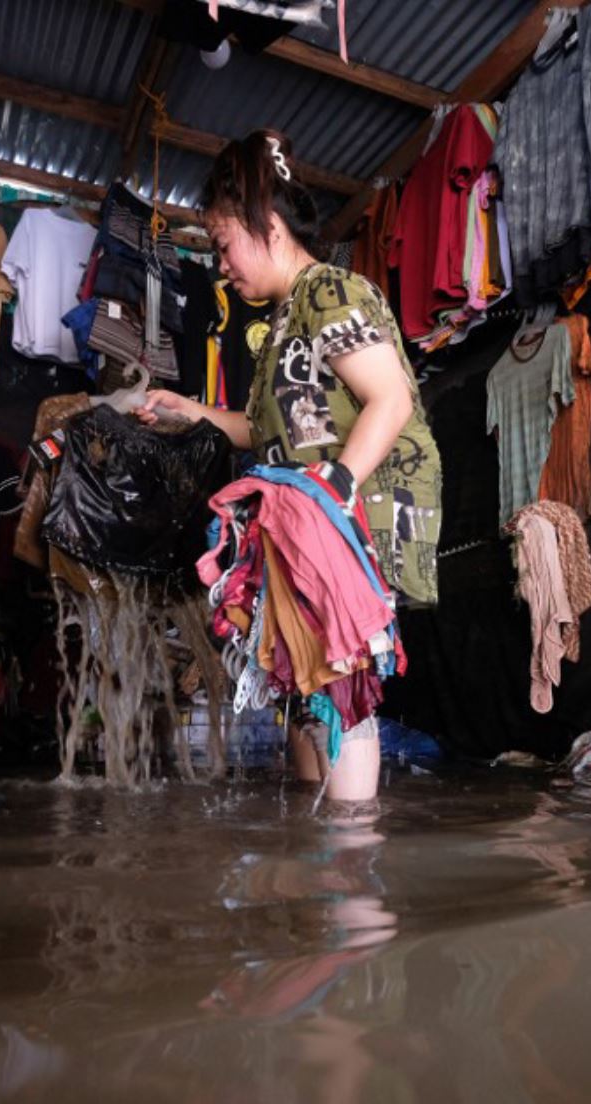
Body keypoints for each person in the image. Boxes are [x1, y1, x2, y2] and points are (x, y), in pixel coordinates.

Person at [138, 129, 443, 802]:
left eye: (223, 245)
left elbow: (388, 398)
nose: (221, 266)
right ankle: (314, 869)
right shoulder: (278, 322)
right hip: (305, 529)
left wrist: (332, 492)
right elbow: (267, 430)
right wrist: (190, 410)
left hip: (348, 525)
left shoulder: (328, 290)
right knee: (303, 688)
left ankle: (353, 874)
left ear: (266, 224)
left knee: (337, 687)